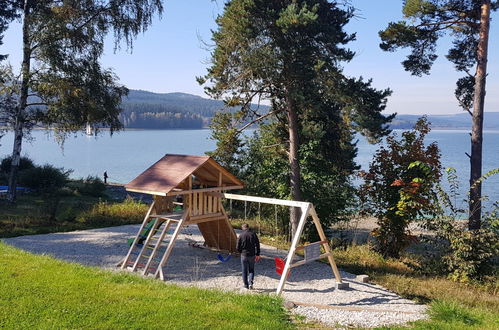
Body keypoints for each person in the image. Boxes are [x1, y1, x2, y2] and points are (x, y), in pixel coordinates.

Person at [236, 223, 261, 290]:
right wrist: (258, 254)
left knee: (244, 270)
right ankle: (251, 283)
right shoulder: (253, 234)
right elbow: (258, 244)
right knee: (251, 270)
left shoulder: (241, 235)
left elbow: (237, 246)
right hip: (252, 255)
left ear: (243, 228)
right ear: (248, 227)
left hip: (244, 255)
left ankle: (246, 285)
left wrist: (240, 252)